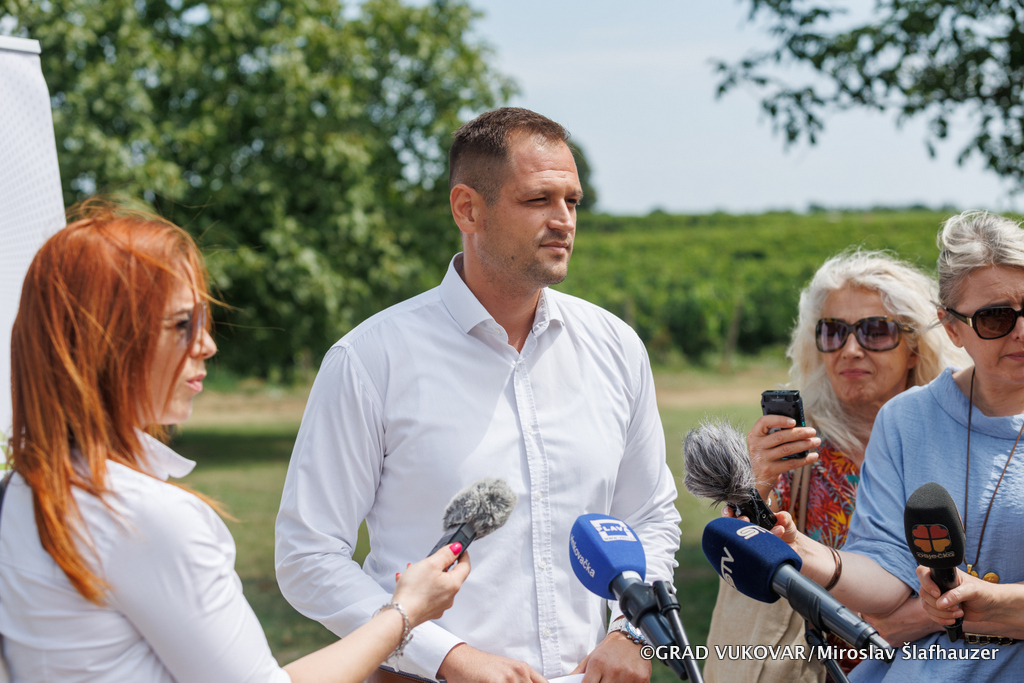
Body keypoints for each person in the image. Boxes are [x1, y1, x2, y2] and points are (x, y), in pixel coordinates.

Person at [275, 107, 681, 683]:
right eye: (538, 200)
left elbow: (648, 516)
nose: (564, 220)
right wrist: (448, 658)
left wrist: (633, 632)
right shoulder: (369, 359)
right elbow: (308, 555)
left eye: (572, 201)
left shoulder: (616, 348)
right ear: (468, 208)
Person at [0, 201, 470, 683]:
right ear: (107, 341)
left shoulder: (22, 493)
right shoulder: (146, 518)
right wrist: (405, 612)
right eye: (181, 324)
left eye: (203, 319)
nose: (207, 344)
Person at [769, 211, 1024, 680]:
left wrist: (995, 604)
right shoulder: (906, 419)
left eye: (874, 330)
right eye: (995, 317)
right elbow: (887, 568)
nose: (1021, 331)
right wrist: (801, 549)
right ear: (951, 327)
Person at [704, 250, 966, 682]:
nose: (850, 350)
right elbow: (744, 554)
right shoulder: (801, 452)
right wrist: (755, 484)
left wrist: (920, 617)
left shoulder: (956, 438)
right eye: (833, 331)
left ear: (914, 347)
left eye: (875, 331)